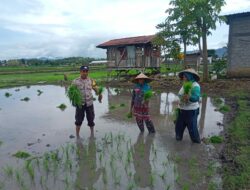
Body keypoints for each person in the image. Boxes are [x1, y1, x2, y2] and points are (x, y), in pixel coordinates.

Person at [72, 65, 102, 139]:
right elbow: (71, 93)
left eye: (86, 71)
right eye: (83, 71)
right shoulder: (75, 81)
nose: (85, 73)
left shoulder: (91, 80)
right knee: (78, 120)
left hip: (89, 104)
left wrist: (100, 94)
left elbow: (96, 88)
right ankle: (77, 136)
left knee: (91, 119)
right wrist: (74, 101)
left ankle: (92, 134)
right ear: (80, 72)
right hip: (80, 104)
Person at [175, 68, 201, 143]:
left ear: (190, 76)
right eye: (183, 76)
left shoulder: (195, 85)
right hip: (181, 110)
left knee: (192, 128)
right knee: (179, 126)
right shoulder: (185, 85)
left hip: (191, 111)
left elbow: (196, 97)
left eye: (185, 76)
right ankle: (178, 139)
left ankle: (196, 142)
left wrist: (189, 97)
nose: (183, 78)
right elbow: (180, 95)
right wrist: (181, 99)